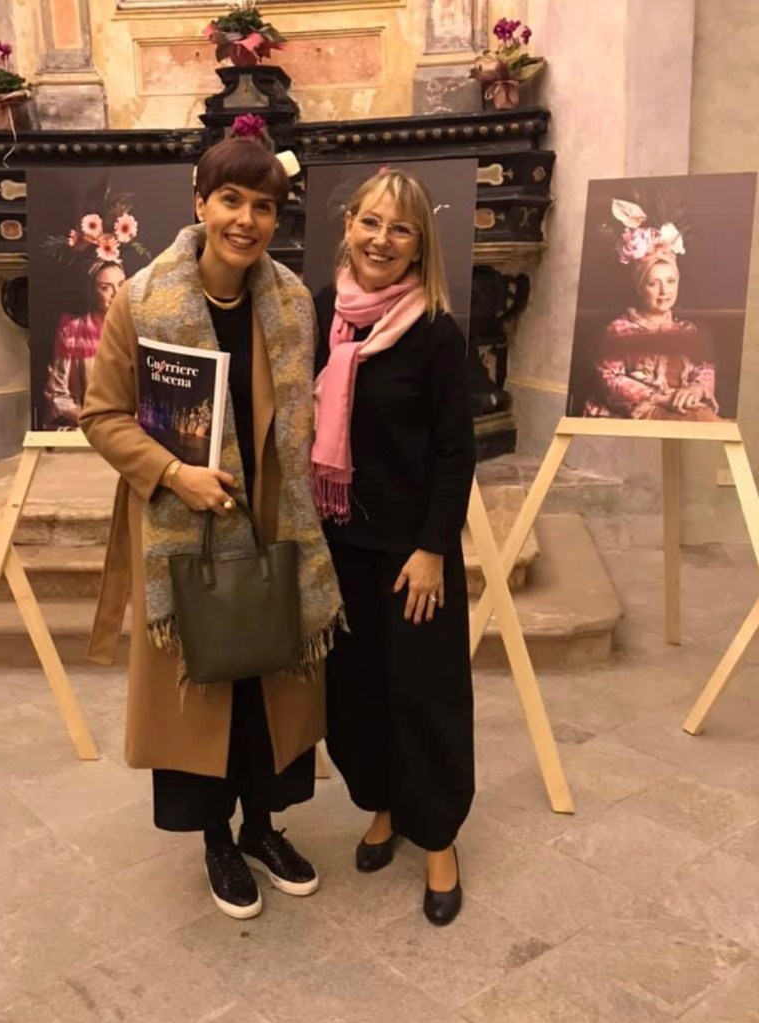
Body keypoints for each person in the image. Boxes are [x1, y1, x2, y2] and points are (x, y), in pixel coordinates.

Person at [80, 128, 344, 921]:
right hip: (190, 526)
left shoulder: (292, 302)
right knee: (207, 689)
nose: (246, 219)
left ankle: (263, 826)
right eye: (231, 199)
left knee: (270, 688)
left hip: (276, 524)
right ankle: (216, 839)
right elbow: (102, 414)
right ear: (200, 202)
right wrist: (173, 473)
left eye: (264, 206)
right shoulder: (142, 300)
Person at [312, 168, 476, 926]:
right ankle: (382, 804)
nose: (382, 239)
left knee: (424, 693)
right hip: (337, 543)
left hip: (412, 554)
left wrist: (433, 547)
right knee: (355, 693)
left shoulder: (436, 331)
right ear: (348, 225)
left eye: (400, 228)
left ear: (419, 244)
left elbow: (455, 451)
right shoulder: (322, 314)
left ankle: (437, 836)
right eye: (371, 222)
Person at [583, 204, 721, 421]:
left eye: (670, 281)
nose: (664, 291)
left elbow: (704, 368)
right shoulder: (620, 329)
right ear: (640, 287)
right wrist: (657, 397)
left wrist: (695, 388)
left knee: (708, 423)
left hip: (684, 408)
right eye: (653, 283)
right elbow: (608, 377)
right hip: (641, 414)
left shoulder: (686, 330)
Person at [44, 260, 126, 427]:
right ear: (92, 292)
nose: (116, 293)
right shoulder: (72, 331)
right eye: (105, 288)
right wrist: (91, 420)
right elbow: (57, 395)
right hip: (85, 428)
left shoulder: (136, 330)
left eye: (121, 285)